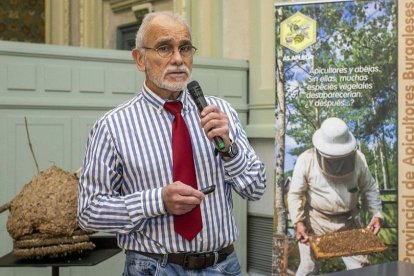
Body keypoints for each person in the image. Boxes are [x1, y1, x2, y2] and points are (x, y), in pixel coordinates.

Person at [77, 11, 266, 276]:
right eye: (164, 48)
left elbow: (256, 189)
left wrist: (230, 150)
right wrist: (157, 201)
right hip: (153, 267)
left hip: (223, 266)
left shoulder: (220, 113)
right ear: (139, 59)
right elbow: (89, 212)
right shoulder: (112, 126)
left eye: (185, 48)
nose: (178, 59)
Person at [287, 117, 383, 275]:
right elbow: (295, 194)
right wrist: (298, 222)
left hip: (349, 221)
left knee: (361, 269)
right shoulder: (306, 159)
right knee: (307, 269)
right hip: (315, 221)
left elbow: (370, 188)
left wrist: (377, 215)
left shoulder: (359, 159)